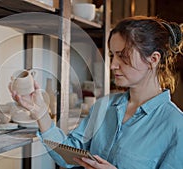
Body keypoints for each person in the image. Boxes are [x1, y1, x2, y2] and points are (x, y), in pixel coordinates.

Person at [10, 16, 183, 169]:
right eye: (112, 55)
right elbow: (70, 156)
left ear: (153, 59)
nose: (113, 65)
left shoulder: (176, 125)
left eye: (122, 55)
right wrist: (40, 113)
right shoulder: (104, 106)